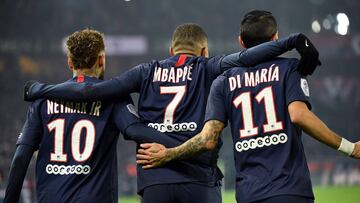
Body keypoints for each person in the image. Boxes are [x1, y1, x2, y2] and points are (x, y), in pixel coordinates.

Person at [23, 23, 320, 203]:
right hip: (200, 178)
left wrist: (41, 90)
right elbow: (245, 58)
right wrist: (290, 42)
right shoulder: (208, 66)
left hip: (155, 179)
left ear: (171, 49)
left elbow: (92, 89)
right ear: (203, 51)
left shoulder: (146, 71)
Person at [135, 11, 360, 203]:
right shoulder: (289, 69)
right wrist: (349, 148)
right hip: (290, 188)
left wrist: (169, 153)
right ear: (276, 38)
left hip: (249, 193)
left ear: (241, 42)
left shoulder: (222, 81)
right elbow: (299, 115)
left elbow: (208, 139)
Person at [4, 28, 187, 203]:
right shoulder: (114, 98)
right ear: (101, 59)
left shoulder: (42, 101)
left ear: (70, 62)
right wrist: (186, 148)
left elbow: (21, 158)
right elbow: (136, 131)